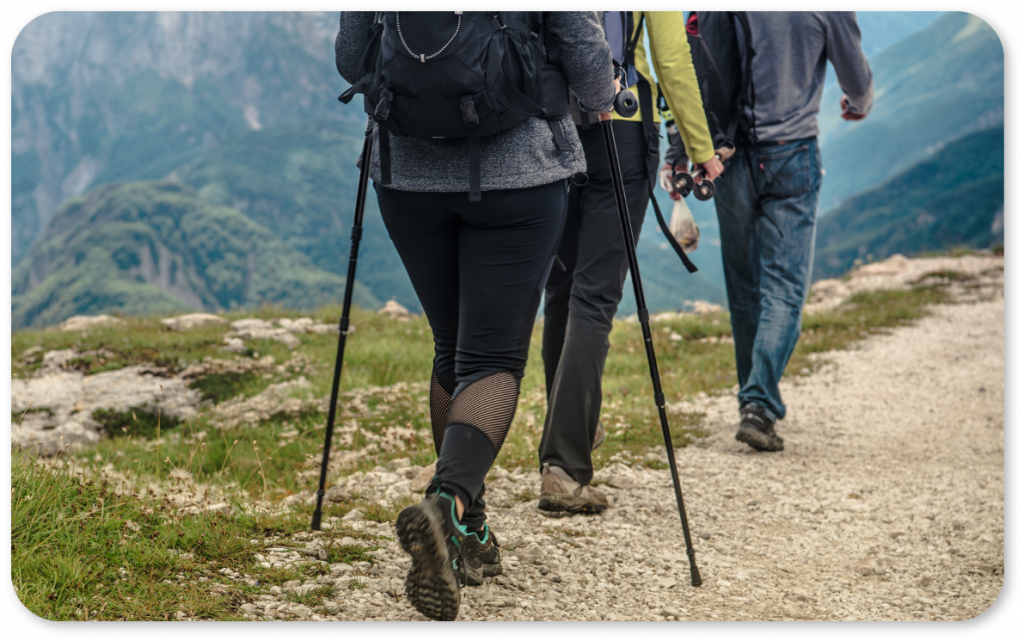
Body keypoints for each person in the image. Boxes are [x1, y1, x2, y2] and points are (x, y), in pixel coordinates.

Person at [336, 11, 617, 621]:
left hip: (405, 176)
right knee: (490, 357)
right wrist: (608, 94)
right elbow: (588, 64)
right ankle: (447, 503)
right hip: (520, 174)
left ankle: (472, 530)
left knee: (452, 345)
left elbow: (351, 57)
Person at [537, 11, 723, 515]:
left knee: (561, 291)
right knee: (594, 297)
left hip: (549, 126)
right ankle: (565, 465)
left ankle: (568, 432)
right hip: (621, 129)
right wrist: (702, 150)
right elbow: (672, 61)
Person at [667, 11, 873, 452]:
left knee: (744, 285)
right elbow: (856, 78)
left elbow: (696, 70)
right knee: (784, 287)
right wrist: (858, 103)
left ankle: (753, 403)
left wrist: (680, 148)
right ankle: (757, 403)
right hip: (792, 155)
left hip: (728, 157)